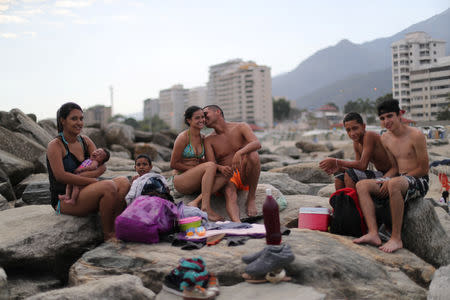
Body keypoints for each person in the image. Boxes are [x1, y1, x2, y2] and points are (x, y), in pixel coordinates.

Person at [353, 99, 429, 253]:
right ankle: (373, 233)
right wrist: (384, 179)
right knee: (362, 185)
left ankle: (396, 238)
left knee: (394, 184)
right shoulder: (385, 138)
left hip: (419, 180)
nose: (386, 121)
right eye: (382, 118)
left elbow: (423, 168)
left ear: (399, 115)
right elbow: (394, 167)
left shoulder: (416, 135)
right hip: (398, 178)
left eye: (389, 116)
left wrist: (394, 181)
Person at [47, 102, 130, 241]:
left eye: (81, 118)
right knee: (108, 186)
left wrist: (88, 177)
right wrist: (90, 180)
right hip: (65, 199)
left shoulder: (85, 141)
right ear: (63, 120)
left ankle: (117, 226)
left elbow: (102, 166)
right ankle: (108, 234)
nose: (79, 123)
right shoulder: (55, 145)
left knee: (123, 182)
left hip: (87, 190)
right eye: (74, 119)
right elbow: (60, 176)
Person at [203, 105, 261, 222]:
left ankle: (251, 198)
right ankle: (238, 224)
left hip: (245, 173)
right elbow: (211, 163)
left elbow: (256, 143)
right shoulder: (208, 140)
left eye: (205, 114)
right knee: (230, 192)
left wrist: (239, 153)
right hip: (228, 178)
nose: (203, 118)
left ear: (218, 112)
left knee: (253, 155)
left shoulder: (241, 127)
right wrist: (221, 168)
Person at [170, 106, 228, 221]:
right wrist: (192, 169)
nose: (201, 120)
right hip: (180, 179)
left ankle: (195, 201)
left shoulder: (203, 138)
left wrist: (221, 168)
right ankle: (206, 208)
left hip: (195, 179)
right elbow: (173, 163)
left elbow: (204, 162)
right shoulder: (183, 137)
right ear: (189, 120)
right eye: (197, 118)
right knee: (211, 165)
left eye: (203, 117)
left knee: (226, 175)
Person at [319, 112, 392, 190]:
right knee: (339, 179)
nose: (352, 133)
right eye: (348, 130)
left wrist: (336, 161)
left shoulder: (369, 135)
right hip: (380, 174)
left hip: (391, 174)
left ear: (363, 126)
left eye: (355, 128)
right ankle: (344, 201)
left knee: (350, 175)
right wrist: (339, 168)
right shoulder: (356, 143)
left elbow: (362, 165)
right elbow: (358, 169)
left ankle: (353, 201)